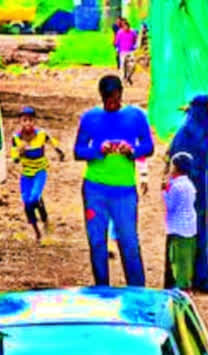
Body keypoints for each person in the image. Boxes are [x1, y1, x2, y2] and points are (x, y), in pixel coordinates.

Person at [74, 75, 154, 287]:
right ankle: (102, 288)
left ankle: (137, 290)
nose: (112, 103)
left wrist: (132, 151)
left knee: (128, 241)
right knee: (97, 241)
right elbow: (78, 151)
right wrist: (98, 150)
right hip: (94, 188)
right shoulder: (90, 118)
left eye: (115, 99)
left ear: (121, 95)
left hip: (124, 189)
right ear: (101, 96)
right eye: (108, 99)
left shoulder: (136, 116)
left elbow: (149, 146)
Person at [165, 95, 208, 293]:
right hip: (187, 192)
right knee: (184, 235)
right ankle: (180, 279)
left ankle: (202, 278)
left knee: (205, 234)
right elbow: (176, 161)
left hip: (206, 192)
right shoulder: (184, 134)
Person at [10, 106, 65, 242]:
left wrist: (59, 152)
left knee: (34, 198)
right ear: (20, 122)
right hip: (26, 175)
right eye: (24, 120)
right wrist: (20, 153)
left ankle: (45, 219)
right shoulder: (16, 138)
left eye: (30, 120)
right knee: (27, 203)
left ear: (34, 121)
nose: (27, 123)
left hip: (40, 172)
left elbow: (54, 144)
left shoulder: (41, 134)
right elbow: (14, 158)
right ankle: (37, 232)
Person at [163, 152, 198, 291]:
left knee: (177, 259)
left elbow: (170, 206)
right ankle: (185, 283)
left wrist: (164, 192)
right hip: (189, 227)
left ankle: (180, 286)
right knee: (187, 259)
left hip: (178, 228)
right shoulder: (189, 185)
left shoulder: (176, 186)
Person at [114, 19, 138, 85]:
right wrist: (117, 49)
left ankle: (128, 77)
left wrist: (135, 46)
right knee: (123, 66)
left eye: (127, 27)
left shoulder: (133, 33)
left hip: (130, 51)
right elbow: (116, 42)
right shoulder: (119, 33)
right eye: (124, 27)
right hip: (122, 51)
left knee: (133, 66)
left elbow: (135, 40)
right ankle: (122, 80)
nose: (126, 28)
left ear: (129, 27)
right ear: (122, 27)